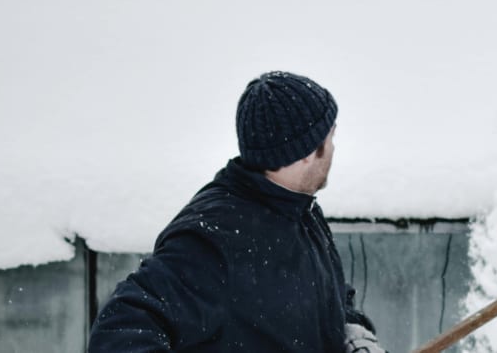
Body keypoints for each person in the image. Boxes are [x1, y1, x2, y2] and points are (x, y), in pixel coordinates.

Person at [89, 71, 385, 353]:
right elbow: (120, 331)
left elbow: (327, 294)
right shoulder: (214, 238)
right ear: (308, 153)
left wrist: (351, 332)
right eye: (331, 137)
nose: (334, 148)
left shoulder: (300, 208)